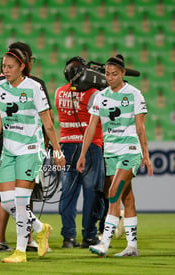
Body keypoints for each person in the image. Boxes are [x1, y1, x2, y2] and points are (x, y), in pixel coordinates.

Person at [0, 48, 65, 263]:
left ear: (22, 67)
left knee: (21, 202)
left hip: (30, 150)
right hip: (8, 151)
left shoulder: (34, 87)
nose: (6, 70)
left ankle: (20, 251)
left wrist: (56, 150)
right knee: (7, 203)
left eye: (10, 67)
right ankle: (40, 227)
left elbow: (48, 122)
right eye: (3, 66)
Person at [76, 54, 153, 257]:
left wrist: (145, 154)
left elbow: (140, 127)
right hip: (110, 154)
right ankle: (132, 246)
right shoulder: (100, 96)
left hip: (130, 152)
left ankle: (105, 243)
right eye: (108, 74)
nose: (110, 78)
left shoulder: (134, 94)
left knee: (113, 194)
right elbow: (92, 127)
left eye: (114, 74)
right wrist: (83, 153)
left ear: (123, 73)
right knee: (127, 199)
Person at [55, 56, 105, 249]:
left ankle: (68, 237)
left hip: (66, 145)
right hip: (90, 146)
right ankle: (90, 236)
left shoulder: (60, 92)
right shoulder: (95, 93)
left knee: (68, 193)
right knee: (92, 193)